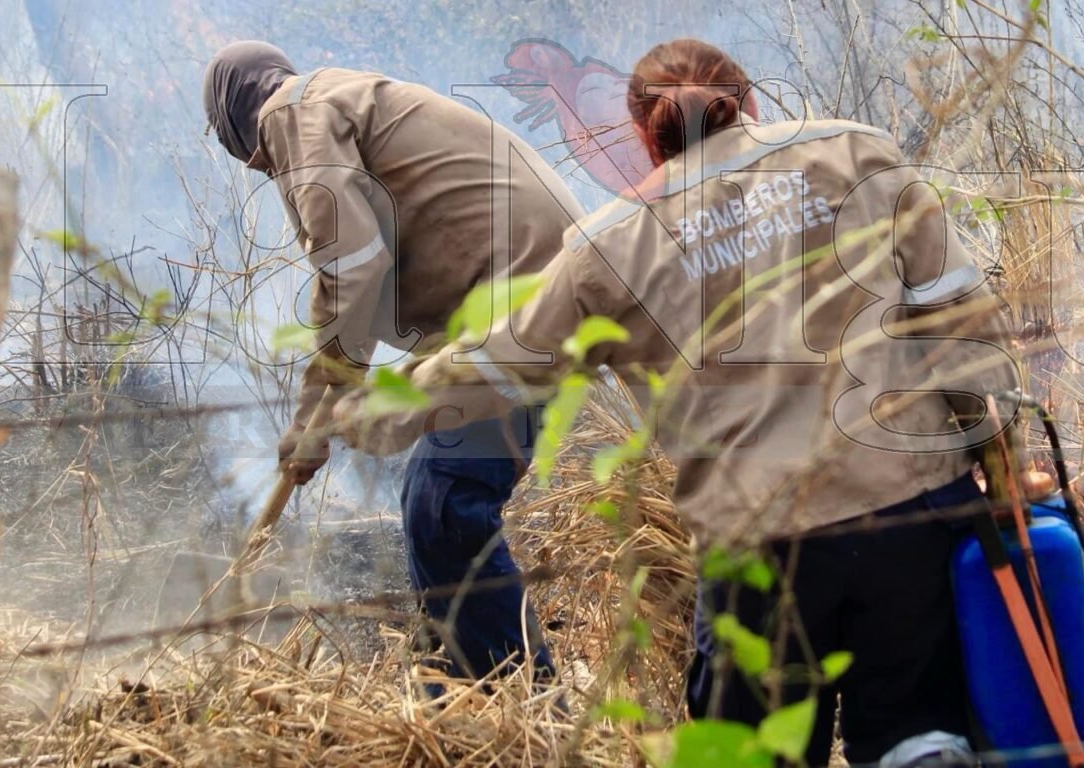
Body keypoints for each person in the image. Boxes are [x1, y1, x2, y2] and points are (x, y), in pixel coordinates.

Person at [332, 38, 1021, 765]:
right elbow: (961, 326)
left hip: (760, 559)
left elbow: (500, 364)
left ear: (643, 135)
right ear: (749, 101)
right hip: (912, 517)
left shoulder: (610, 245)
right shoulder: (856, 155)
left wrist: (379, 412)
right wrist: (1004, 463)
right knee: (920, 741)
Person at [201, 41, 583, 688]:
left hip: (520, 301)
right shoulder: (334, 98)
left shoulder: (293, 113)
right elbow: (363, 268)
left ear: (236, 123)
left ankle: (525, 707)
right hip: (537, 294)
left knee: (444, 504)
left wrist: (311, 413)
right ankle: (458, 692)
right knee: (439, 503)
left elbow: (352, 267)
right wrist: (321, 418)